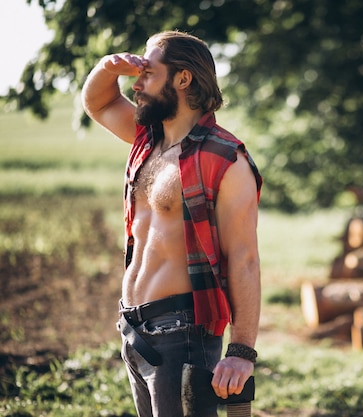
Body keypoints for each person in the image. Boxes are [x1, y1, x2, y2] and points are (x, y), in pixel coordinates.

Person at [81, 30, 262, 417]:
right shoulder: (149, 140)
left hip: (184, 338)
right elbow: (98, 103)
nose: (137, 83)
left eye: (148, 72)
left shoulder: (225, 158)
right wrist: (109, 65)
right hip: (135, 332)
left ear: (183, 79)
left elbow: (244, 257)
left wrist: (242, 352)